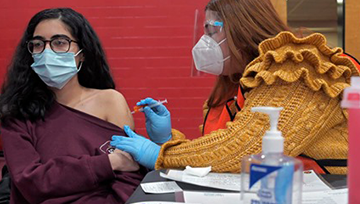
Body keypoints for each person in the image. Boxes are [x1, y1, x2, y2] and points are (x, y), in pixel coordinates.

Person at [111, 0, 360, 175]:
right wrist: (167, 139)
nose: (205, 42)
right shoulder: (238, 84)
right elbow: (218, 152)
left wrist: (161, 155)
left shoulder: (296, 66)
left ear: (242, 27)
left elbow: (245, 148)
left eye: (213, 31)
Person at [0, 8, 147, 204]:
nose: (47, 52)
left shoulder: (110, 102)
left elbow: (129, 174)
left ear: (82, 53)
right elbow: (31, 182)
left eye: (59, 42)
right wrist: (108, 163)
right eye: (37, 44)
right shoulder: (17, 111)